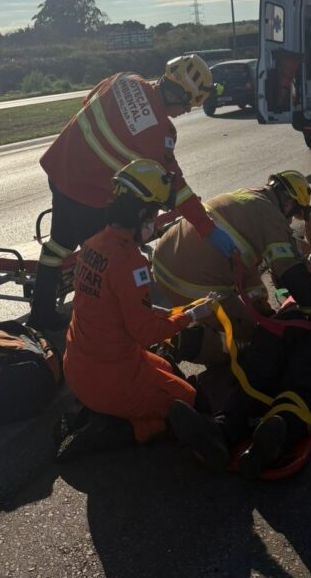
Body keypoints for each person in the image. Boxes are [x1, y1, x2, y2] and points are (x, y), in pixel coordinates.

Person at [31, 54, 229, 329]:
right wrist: (207, 228)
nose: (185, 111)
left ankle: (41, 314)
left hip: (59, 167)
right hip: (88, 193)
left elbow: (87, 102)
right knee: (107, 259)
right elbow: (176, 188)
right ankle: (103, 324)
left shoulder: (125, 79)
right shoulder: (159, 133)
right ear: (177, 93)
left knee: (58, 245)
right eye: (187, 105)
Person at [55, 158, 216, 460]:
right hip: (111, 379)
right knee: (191, 400)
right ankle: (125, 429)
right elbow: (145, 332)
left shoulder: (92, 244)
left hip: (81, 365)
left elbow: (118, 308)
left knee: (167, 368)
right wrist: (191, 315)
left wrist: (175, 312)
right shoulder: (130, 263)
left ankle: (104, 412)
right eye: (153, 214)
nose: (154, 222)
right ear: (142, 213)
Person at [168, 282, 311, 478]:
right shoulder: (308, 284)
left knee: (302, 377)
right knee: (255, 373)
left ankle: (278, 432)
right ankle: (220, 433)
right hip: (280, 326)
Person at [151, 171, 311, 364]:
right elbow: (293, 276)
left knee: (257, 319)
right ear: (289, 204)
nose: (290, 221)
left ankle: (180, 332)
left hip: (163, 261)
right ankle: (187, 342)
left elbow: (247, 267)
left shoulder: (247, 196)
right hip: (189, 281)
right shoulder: (273, 218)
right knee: (253, 340)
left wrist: (265, 311)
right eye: (293, 215)